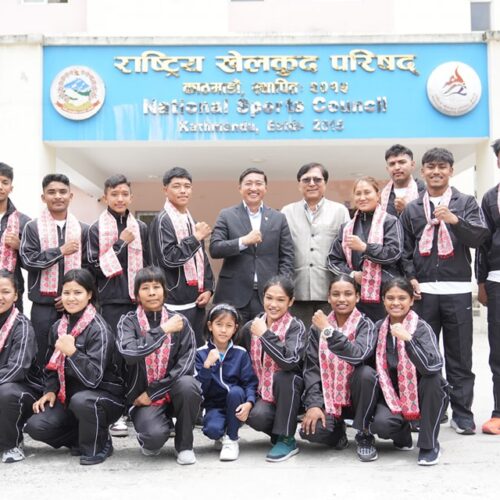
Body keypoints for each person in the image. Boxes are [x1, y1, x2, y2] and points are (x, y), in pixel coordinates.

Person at [400, 147, 489, 435]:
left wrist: (455, 220)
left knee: (459, 356)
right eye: (431, 167)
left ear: (451, 171)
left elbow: (479, 237)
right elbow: (404, 249)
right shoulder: (413, 208)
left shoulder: (466, 202)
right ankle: (433, 410)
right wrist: (410, 277)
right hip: (423, 292)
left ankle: (462, 413)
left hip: (458, 290)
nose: (436, 171)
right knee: (424, 355)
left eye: (442, 167)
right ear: (422, 171)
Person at [25, 269, 125, 466]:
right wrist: (50, 390)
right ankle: (82, 436)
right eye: (66, 292)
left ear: (89, 295)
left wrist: (72, 352)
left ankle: (100, 444)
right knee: (36, 426)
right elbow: (50, 367)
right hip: (69, 397)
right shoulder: (58, 327)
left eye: (77, 292)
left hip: (104, 397)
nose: (71, 298)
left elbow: (94, 378)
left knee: (82, 400)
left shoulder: (99, 329)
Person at [351, 277, 449, 466]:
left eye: (402, 298)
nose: (396, 303)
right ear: (383, 300)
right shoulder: (378, 328)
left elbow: (432, 366)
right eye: (390, 298)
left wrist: (409, 340)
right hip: (391, 396)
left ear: (411, 300)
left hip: (423, 395)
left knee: (434, 379)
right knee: (381, 424)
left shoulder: (422, 327)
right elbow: (362, 359)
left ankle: (429, 445)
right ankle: (402, 434)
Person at [116, 266, 201, 465]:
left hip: (169, 392)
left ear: (164, 290)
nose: (152, 293)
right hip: (141, 399)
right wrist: (163, 330)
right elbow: (129, 353)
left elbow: (186, 365)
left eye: (156, 287)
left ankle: (185, 446)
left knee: (188, 385)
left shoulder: (180, 321)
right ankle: (154, 429)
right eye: (145, 288)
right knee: (153, 440)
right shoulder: (128, 322)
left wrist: (154, 392)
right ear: (137, 294)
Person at [87, 174, 150, 437]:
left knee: (137, 355)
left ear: (131, 197)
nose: (120, 198)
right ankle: (117, 412)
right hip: (110, 300)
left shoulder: (141, 228)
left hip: (139, 301)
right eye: (114, 194)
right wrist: (121, 242)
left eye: (124, 194)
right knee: (113, 355)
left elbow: (150, 265)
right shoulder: (95, 229)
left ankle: (135, 406)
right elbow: (93, 267)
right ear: (105, 197)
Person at [19, 174, 89, 371]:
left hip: (75, 305)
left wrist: (70, 296)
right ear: (43, 197)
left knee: (75, 353)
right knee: (42, 354)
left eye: (62, 192)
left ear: (70, 196)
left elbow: (88, 268)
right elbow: (28, 261)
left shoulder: (83, 229)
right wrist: (60, 251)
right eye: (51, 192)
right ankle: (43, 389)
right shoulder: (32, 227)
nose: (57, 196)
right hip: (43, 305)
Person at [210, 168, 294, 325]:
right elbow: (215, 248)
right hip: (233, 293)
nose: (253, 188)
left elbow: (287, 256)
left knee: (264, 337)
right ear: (240, 188)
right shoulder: (227, 215)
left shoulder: (278, 218)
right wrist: (243, 241)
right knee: (232, 337)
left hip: (267, 296)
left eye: (258, 183)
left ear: (265, 188)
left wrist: (281, 286)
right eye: (248, 183)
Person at [300, 274, 375, 450]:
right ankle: (338, 432)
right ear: (328, 297)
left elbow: (357, 356)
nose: (341, 299)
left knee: (365, 374)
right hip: (330, 399)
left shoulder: (366, 325)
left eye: (348, 294)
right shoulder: (317, 328)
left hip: (359, 399)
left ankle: (364, 432)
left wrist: (328, 330)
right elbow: (311, 369)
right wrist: (314, 405)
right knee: (311, 431)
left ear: (357, 297)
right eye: (336, 294)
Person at [239, 276, 306, 462]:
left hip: (291, 394)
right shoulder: (251, 327)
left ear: (290, 301)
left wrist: (265, 335)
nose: (273, 304)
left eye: (280, 300)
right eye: (269, 298)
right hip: (263, 393)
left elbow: (289, 361)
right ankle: (277, 433)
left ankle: (286, 438)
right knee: (256, 416)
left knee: (286, 377)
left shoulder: (295, 327)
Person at [149, 167, 214, 348]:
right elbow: (169, 258)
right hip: (173, 302)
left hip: (196, 301)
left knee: (197, 349)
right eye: (177, 186)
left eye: (187, 186)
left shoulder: (189, 219)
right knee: (175, 352)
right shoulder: (163, 220)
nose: (183, 190)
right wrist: (196, 238)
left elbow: (201, 258)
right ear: (165, 190)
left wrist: (208, 288)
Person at [281, 162, 350, 328]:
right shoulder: (287, 212)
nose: (312, 183)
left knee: (328, 338)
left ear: (325, 183)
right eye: (306, 180)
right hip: (297, 291)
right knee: (298, 338)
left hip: (331, 291)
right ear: (299, 185)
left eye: (317, 179)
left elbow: (347, 251)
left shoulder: (339, 211)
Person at [328, 176, 404, 322]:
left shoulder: (390, 221)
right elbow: (333, 260)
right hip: (354, 294)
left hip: (386, 293)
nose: (362, 197)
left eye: (367, 192)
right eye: (358, 193)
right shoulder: (346, 228)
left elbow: (394, 253)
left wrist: (365, 247)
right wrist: (352, 274)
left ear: (378, 194)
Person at [195, 303, 258, 461]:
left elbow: (250, 382)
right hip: (213, 405)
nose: (223, 330)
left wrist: (249, 402)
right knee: (212, 430)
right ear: (210, 326)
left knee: (235, 391)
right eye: (219, 324)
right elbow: (199, 388)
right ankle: (221, 433)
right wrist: (207, 366)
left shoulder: (240, 353)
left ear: (235, 328)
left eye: (229, 326)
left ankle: (231, 439)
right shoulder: (201, 353)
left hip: (236, 402)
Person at [0, 270, 42, 463]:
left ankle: (12, 445)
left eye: (5, 292)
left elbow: (18, 368)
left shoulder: (22, 326)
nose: (0, 297)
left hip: (22, 390)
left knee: (6, 392)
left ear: (16, 295)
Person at [476, 138, 500, 435]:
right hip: (497, 281)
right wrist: (481, 281)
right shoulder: (490, 198)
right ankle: (498, 412)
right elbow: (482, 244)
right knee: (498, 351)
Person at [0, 162, 30, 312]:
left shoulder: (23, 222)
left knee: (14, 326)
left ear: (11, 188)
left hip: (11, 293)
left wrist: (20, 246)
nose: (0, 186)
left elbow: (33, 263)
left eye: (5, 182)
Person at [380, 144, 426, 217]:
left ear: (412, 165)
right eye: (392, 164)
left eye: (402, 162)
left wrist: (407, 210)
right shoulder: (382, 196)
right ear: (387, 169)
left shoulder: (425, 191)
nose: (397, 167)